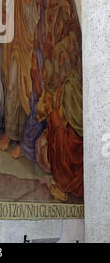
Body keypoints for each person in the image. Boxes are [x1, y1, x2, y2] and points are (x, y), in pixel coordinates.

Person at [0, 0, 41, 150]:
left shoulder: (32, 3)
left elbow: (32, 25)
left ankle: (24, 141)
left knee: (27, 92)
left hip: (28, 52)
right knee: (12, 88)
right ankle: (9, 133)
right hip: (15, 49)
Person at [47, 70, 83, 201]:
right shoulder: (79, 117)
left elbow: (63, 152)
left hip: (74, 181)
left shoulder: (75, 131)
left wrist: (54, 116)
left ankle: (62, 188)